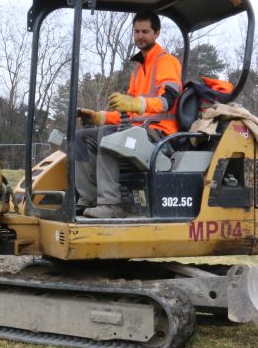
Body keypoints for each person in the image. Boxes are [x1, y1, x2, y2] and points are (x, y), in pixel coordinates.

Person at [74, 12, 182, 218]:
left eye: (145, 31)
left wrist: (137, 103)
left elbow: (168, 101)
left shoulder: (166, 61)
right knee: (82, 137)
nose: (140, 36)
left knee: (108, 134)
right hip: (136, 131)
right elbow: (127, 113)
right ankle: (88, 199)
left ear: (157, 33)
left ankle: (110, 203)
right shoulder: (139, 69)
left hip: (159, 135)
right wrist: (100, 117)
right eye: (136, 31)